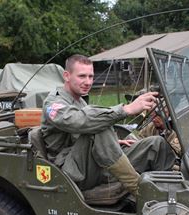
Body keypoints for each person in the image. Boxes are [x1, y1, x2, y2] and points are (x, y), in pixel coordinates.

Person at [41, 54, 176, 196]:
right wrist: (125, 109)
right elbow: (78, 121)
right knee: (100, 127)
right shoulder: (53, 104)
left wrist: (113, 142)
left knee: (155, 144)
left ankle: (167, 192)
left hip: (89, 164)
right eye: (82, 76)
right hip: (70, 173)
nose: (88, 82)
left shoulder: (79, 101)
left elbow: (81, 134)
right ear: (67, 76)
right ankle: (140, 191)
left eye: (91, 76)